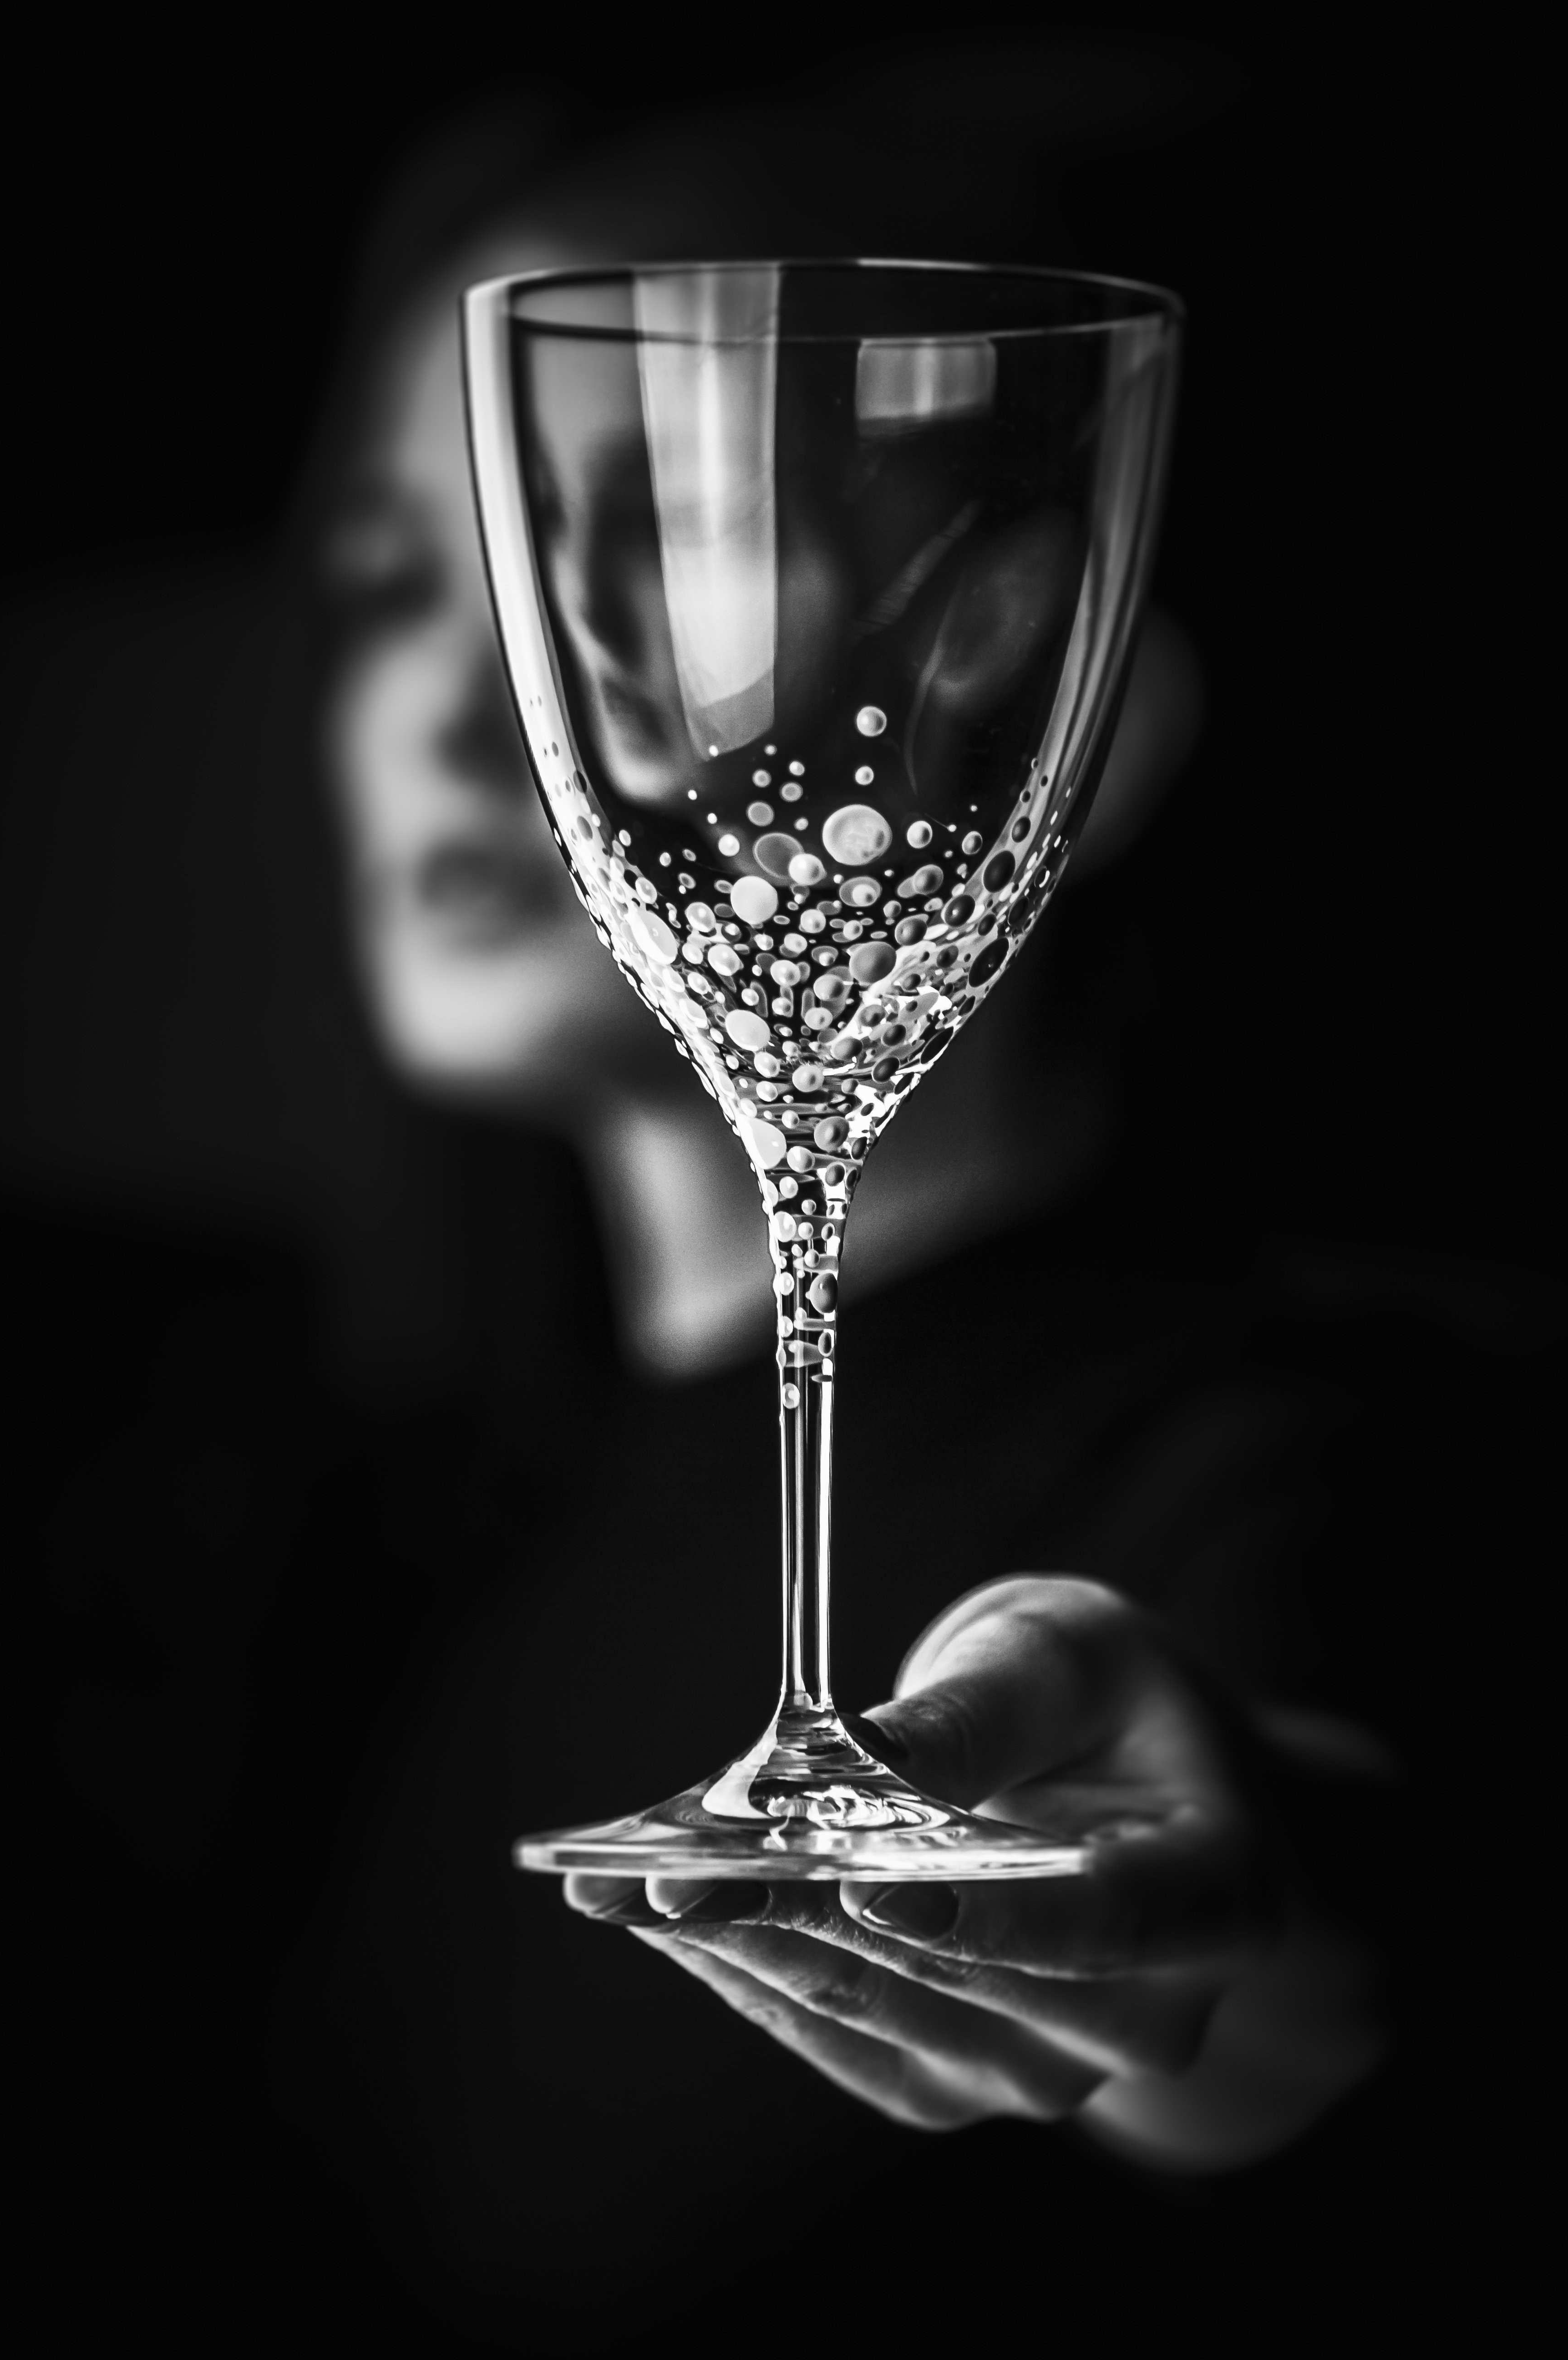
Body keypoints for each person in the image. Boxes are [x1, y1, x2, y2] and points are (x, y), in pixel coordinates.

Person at [293, 75, 1550, 2337]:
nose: (475, 705)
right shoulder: (433, 1528)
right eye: (408, 571)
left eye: (674, 538)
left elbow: (1343, 1934)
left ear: (1063, 693)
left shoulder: (1307, 1444)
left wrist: (1226, 1946)